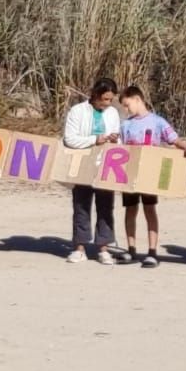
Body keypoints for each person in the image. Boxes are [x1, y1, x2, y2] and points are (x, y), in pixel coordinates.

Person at [118, 85, 186, 268]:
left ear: (137, 99)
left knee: (149, 209)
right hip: (130, 173)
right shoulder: (126, 124)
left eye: (127, 105)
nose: (126, 110)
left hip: (149, 173)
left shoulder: (157, 122)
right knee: (130, 209)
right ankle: (131, 248)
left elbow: (173, 139)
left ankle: (152, 251)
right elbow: (120, 148)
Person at [62, 78, 122, 265]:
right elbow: (70, 139)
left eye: (110, 100)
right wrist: (94, 140)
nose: (107, 103)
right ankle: (80, 247)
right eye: (104, 99)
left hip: (106, 164)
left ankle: (103, 247)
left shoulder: (112, 113)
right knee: (81, 205)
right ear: (95, 95)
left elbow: (118, 140)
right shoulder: (78, 111)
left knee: (106, 206)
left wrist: (113, 139)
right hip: (82, 163)